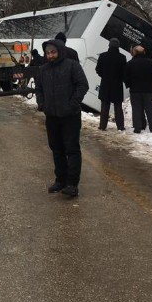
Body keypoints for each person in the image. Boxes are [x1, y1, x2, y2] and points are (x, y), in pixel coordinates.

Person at [35, 39, 89, 198]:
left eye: (53, 52)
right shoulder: (43, 69)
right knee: (56, 149)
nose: (50, 55)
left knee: (71, 149)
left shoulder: (72, 65)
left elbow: (82, 85)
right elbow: (39, 88)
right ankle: (60, 180)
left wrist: (72, 104)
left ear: (59, 51)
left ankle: (72, 184)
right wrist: (42, 103)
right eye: (48, 52)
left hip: (70, 116)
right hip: (52, 116)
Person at [124, 45, 152, 133]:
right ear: (144, 52)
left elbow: (125, 77)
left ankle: (138, 128)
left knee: (136, 109)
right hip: (148, 90)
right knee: (150, 109)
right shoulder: (151, 63)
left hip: (135, 90)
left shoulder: (130, 63)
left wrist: (130, 85)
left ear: (135, 53)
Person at [95, 37, 127, 131]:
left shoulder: (103, 56)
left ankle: (102, 126)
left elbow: (98, 70)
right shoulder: (122, 58)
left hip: (105, 84)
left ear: (109, 45)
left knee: (105, 106)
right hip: (117, 85)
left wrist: (104, 76)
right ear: (118, 47)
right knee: (118, 107)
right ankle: (120, 126)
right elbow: (124, 73)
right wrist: (119, 79)